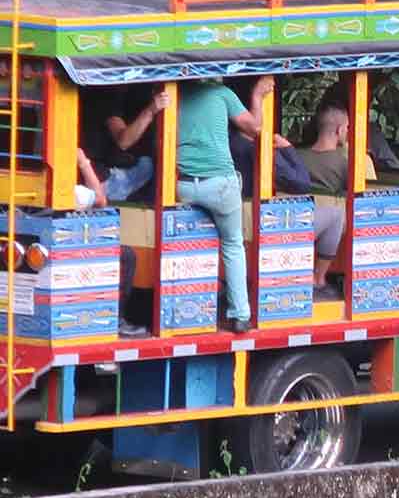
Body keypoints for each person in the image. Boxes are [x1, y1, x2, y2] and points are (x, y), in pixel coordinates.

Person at [298, 104, 399, 315]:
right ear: (340, 130)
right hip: (351, 224)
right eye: (349, 127)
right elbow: (370, 198)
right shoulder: (351, 160)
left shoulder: (298, 158)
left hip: (311, 225)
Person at [176, 76, 273, 333]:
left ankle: (183, 310)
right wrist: (258, 96)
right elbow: (254, 129)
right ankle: (240, 314)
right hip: (219, 185)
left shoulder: (174, 92)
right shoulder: (222, 92)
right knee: (232, 244)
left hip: (183, 186)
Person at [229, 128, 347, 301]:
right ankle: (318, 279)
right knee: (336, 215)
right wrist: (287, 149)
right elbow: (301, 182)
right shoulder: (258, 146)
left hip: (236, 220)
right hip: (264, 223)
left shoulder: (224, 143)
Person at [75, 149, 147, 337]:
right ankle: (116, 320)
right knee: (126, 255)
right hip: (72, 251)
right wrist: (83, 163)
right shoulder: (72, 191)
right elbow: (100, 199)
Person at [80, 85, 169, 204]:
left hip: (86, 176)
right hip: (98, 182)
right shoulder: (106, 96)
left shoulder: (90, 92)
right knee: (147, 164)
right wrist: (150, 110)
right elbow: (124, 141)